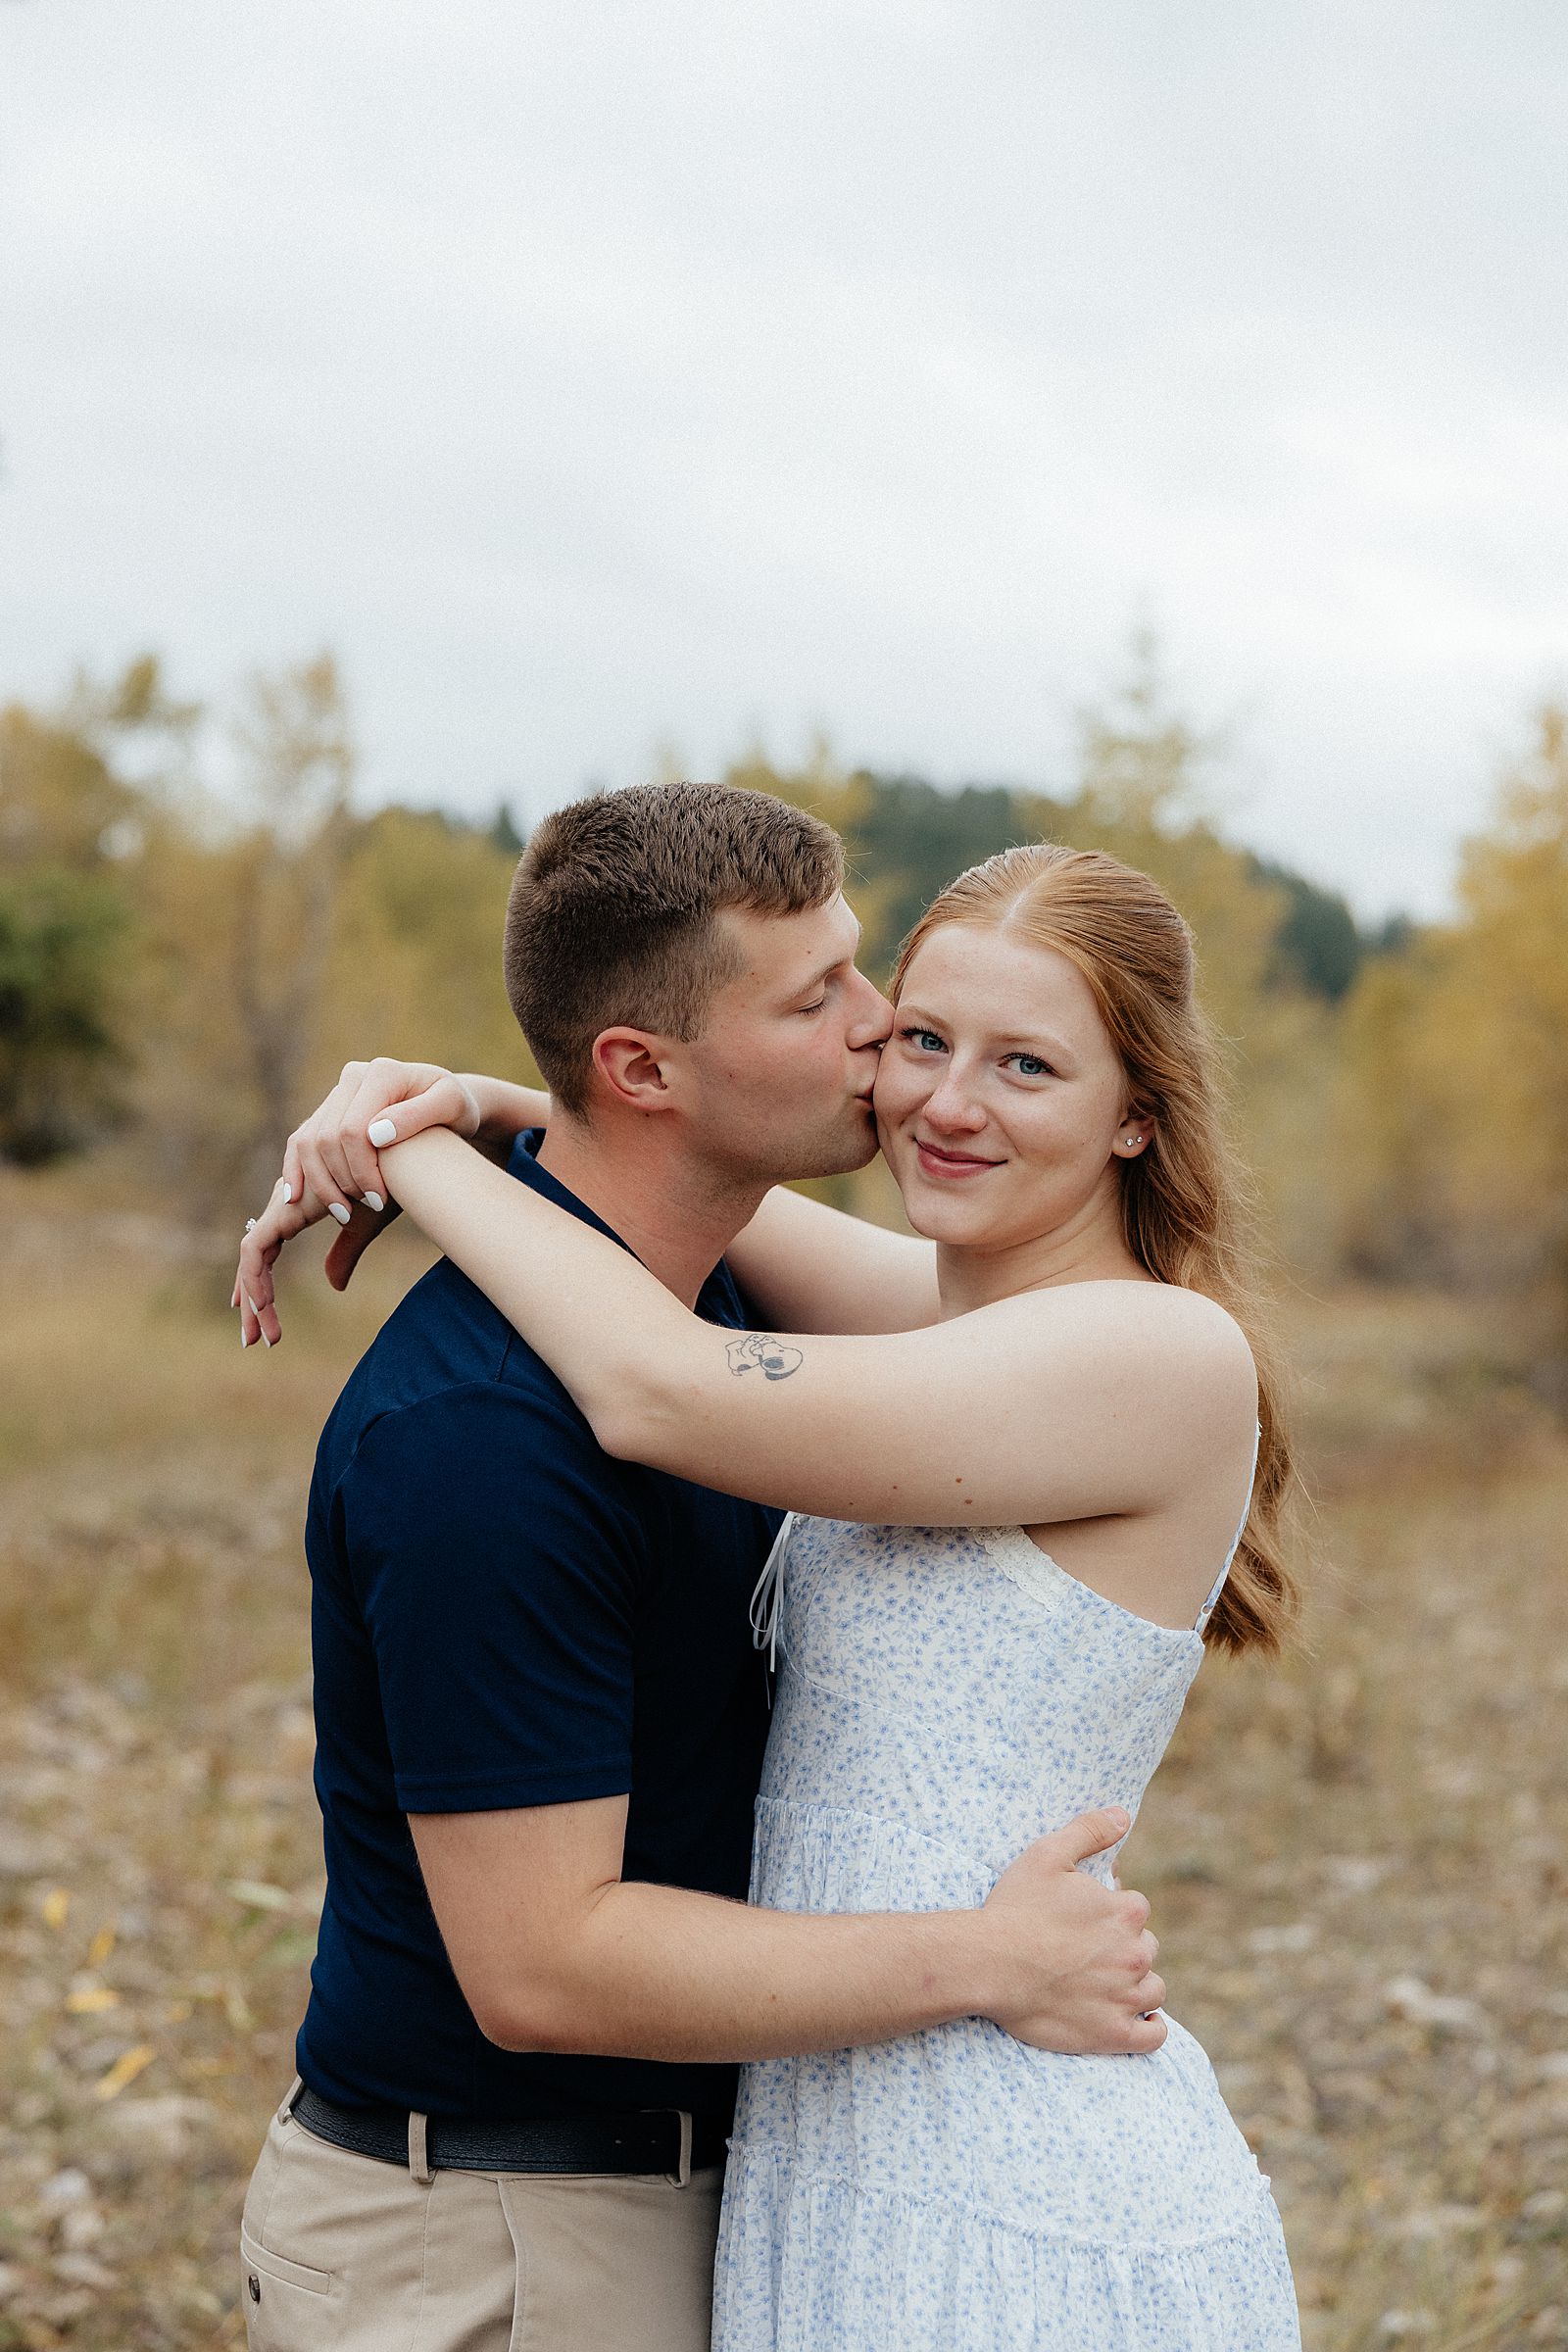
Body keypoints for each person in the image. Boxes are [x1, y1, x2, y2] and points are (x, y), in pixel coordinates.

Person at [230, 785, 1170, 2352]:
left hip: (714, 2197)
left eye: (862, 970)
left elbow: (688, 1362)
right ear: (645, 1069)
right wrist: (985, 1963)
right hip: (498, 2241)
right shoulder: (484, 1440)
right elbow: (542, 1969)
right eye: (821, 999)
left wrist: (450, 1120)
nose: (886, 1031)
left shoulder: (715, 1297)